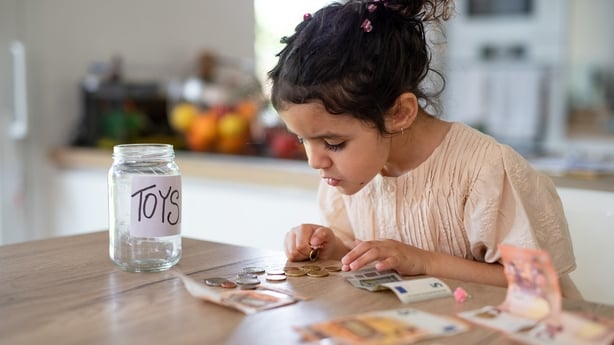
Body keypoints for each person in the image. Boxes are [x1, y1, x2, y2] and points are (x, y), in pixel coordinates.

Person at [267, 0, 581, 298]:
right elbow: (362, 253)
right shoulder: (349, 176)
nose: (314, 160)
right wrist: (331, 248)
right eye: (302, 140)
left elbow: (538, 284)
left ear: (399, 114)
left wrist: (425, 263)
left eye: (333, 143)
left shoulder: (483, 171)